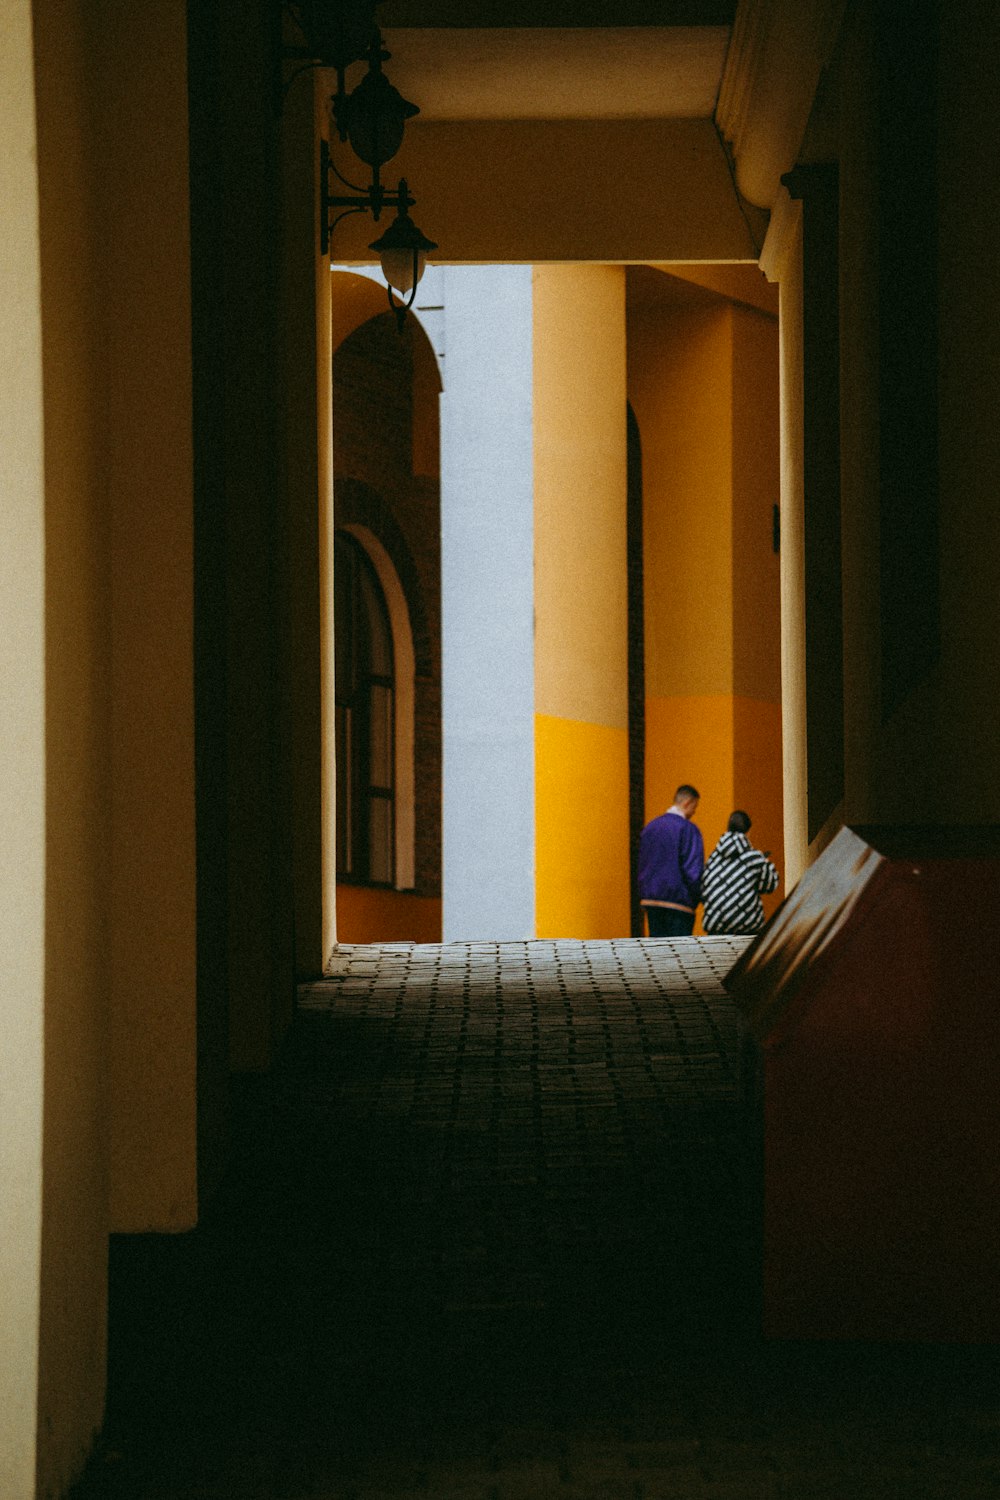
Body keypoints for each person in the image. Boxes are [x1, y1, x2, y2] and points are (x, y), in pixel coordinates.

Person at [638, 784, 704, 937]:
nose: (694, 812)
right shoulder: (688, 829)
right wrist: (698, 896)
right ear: (687, 803)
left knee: (657, 952)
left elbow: (642, 862)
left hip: (651, 899)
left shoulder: (650, 827)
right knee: (678, 954)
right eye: (695, 806)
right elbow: (692, 869)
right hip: (679, 901)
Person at [701, 810, 779, 935]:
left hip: (715, 924)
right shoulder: (753, 858)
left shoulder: (713, 859)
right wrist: (767, 864)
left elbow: (703, 888)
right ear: (748, 832)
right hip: (747, 926)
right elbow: (770, 885)